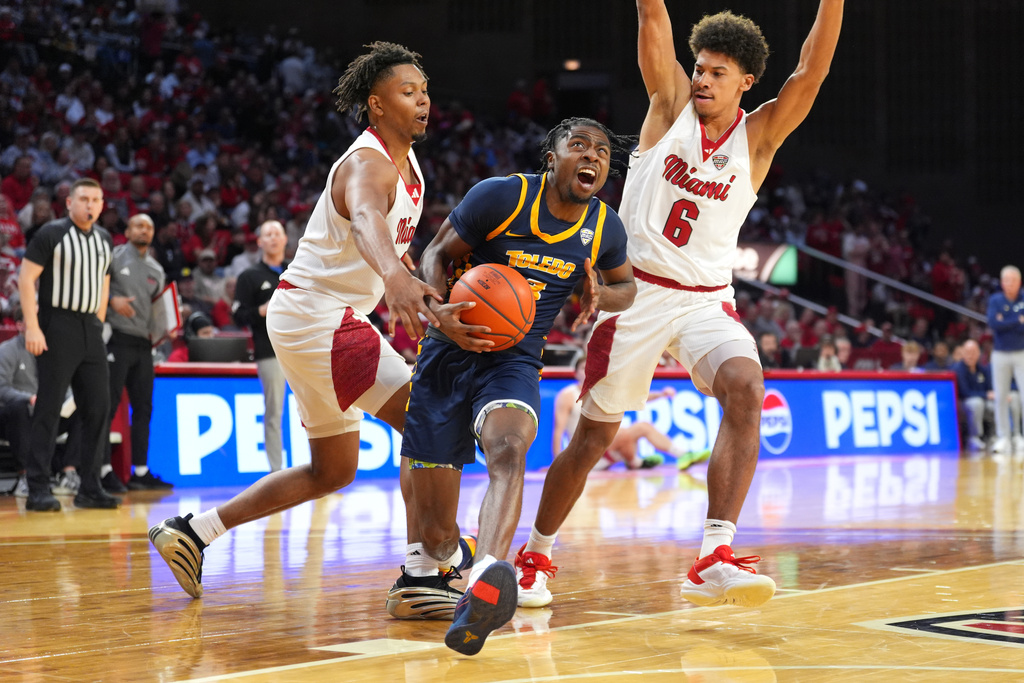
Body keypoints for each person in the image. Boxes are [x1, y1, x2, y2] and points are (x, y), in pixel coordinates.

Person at [517, 0, 844, 612]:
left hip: (706, 301)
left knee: (747, 385)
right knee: (594, 438)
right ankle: (535, 555)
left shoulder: (759, 136)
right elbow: (650, 21)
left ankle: (713, 555)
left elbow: (812, 72)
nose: (701, 78)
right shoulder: (668, 107)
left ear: (745, 82)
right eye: (699, 66)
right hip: (635, 293)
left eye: (718, 72)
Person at [149, 41, 448, 598]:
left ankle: (194, 532)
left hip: (310, 315)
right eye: (408, 92)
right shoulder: (367, 163)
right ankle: (425, 569)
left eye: (425, 91)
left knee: (332, 470)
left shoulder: (410, 170)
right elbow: (363, 218)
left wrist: (414, 282)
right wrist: (394, 276)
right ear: (377, 105)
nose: (423, 100)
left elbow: (385, 237)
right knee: (428, 423)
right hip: (318, 313)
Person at [388, 118, 636, 655]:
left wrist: (599, 297)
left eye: (601, 150)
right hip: (448, 354)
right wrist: (440, 311)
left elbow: (627, 288)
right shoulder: (501, 197)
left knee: (509, 448)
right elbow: (435, 254)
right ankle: (456, 554)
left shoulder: (604, 228)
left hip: (516, 360)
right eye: (579, 145)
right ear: (552, 156)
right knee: (433, 536)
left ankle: (485, 577)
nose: (591, 155)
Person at [16, 177, 117, 511]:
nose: (90, 205)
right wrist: (33, 326)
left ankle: (90, 486)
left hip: (90, 327)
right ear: (69, 202)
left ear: (102, 205)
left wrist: (99, 322)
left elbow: (104, 283)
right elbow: (26, 279)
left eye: (96, 200)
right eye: (84, 198)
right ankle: (38, 487)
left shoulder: (104, 239)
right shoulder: (51, 234)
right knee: (50, 406)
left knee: (99, 407)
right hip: (57, 324)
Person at [99, 213, 173, 493]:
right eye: (139, 226)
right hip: (117, 339)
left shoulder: (156, 268)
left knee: (143, 409)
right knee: (108, 405)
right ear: (128, 231)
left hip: (144, 345)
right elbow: (94, 290)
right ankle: (103, 469)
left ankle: (140, 471)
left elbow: (157, 309)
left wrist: (167, 327)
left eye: (149, 227)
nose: (144, 230)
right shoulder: (113, 258)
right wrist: (110, 300)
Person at [551, 355, 700, 471]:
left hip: (603, 452)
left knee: (642, 427)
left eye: (589, 368)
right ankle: (635, 462)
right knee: (620, 433)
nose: (586, 372)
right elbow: (558, 431)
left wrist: (661, 394)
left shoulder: (601, 391)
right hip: (585, 455)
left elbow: (635, 398)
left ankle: (683, 454)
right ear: (575, 373)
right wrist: (556, 465)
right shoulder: (568, 396)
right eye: (583, 368)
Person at [232, 220, 289, 472]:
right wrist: (261, 310)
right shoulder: (249, 276)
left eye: (278, 233)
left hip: (303, 350)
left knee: (314, 411)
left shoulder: (297, 272)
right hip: (269, 352)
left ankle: (322, 469)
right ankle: (277, 472)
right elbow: (238, 315)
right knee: (274, 412)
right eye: (268, 234)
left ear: (286, 239)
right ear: (260, 242)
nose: (274, 238)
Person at [986, 265, 1024, 454]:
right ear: (1002, 283)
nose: (1009, 284)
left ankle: (1020, 437)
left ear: (1019, 282)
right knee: (1000, 396)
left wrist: (1005, 321)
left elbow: (1002, 324)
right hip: (1000, 353)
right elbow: (993, 324)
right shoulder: (995, 300)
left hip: (1022, 352)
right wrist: (1017, 320)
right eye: (1006, 280)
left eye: (1013, 280)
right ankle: (1003, 438)